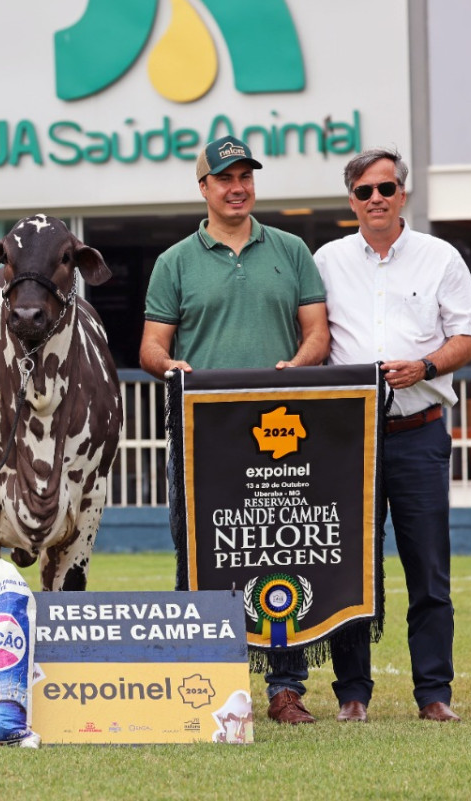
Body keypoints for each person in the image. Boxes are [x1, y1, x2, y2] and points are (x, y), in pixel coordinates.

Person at [139, 134, 330, 725]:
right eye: (225, 177)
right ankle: (209, 677)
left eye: (246, 175)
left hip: (280, 436)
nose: (237, 186)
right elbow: (151, 346)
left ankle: (285, 687)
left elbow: (318, 334)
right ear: (204, 188)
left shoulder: (293, 249)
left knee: (282, 550)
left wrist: (298, 368)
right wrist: (172, 367)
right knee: (200, 551)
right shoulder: (174, 261)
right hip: (202, 435)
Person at [314, 147, 471, 724]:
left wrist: (426, 366)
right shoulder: (327, 261)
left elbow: (468, 339)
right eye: (364, 192)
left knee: (428, 567)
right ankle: (352, 696)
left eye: (385, 188)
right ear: (352, 202)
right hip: (349, 439)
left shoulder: (440, 257)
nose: (376, 200)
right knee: (350, 570)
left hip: (420, 432)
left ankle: (434, 695)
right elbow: (314, 342)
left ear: (402, 194)